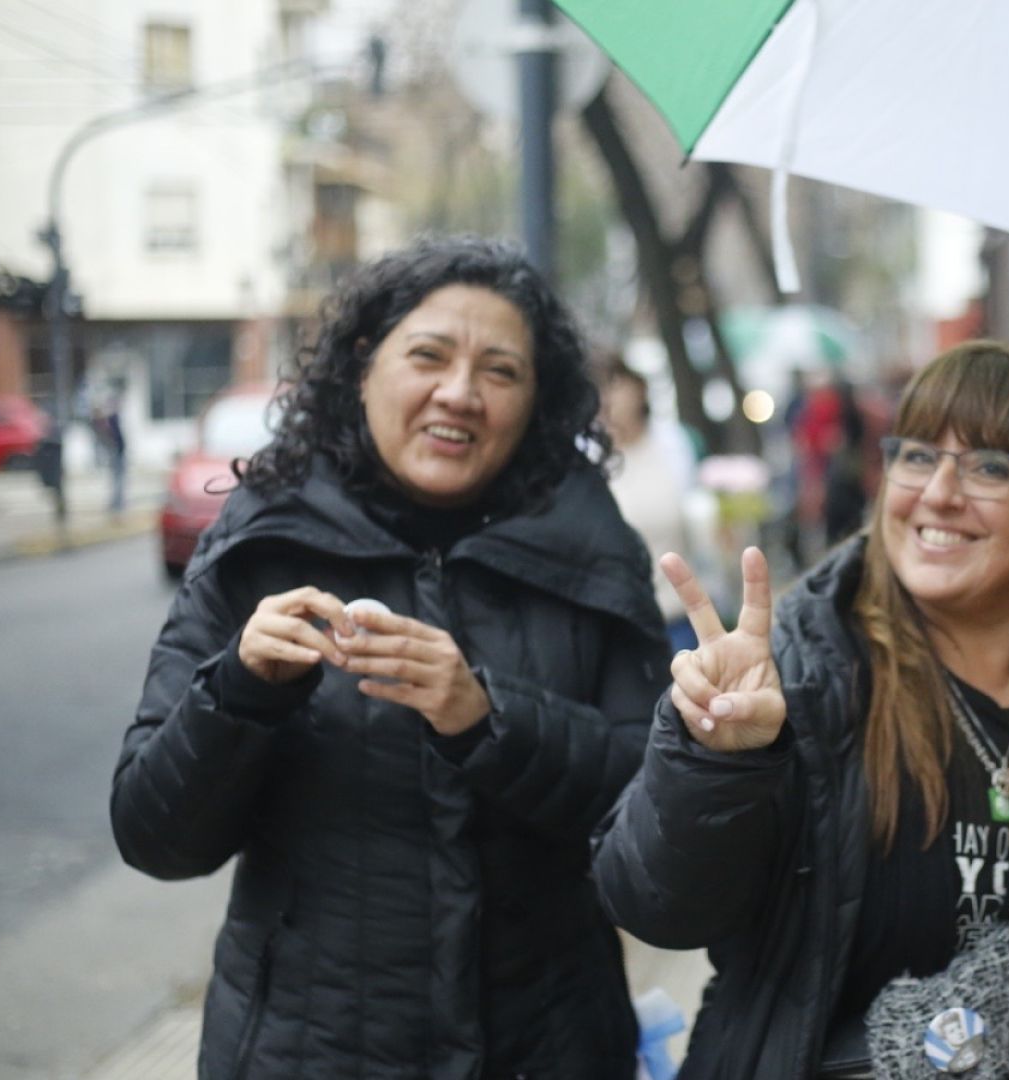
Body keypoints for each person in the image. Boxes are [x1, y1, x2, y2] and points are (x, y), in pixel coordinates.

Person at [110, 237, 669, 1079]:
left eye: (501, 371)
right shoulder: (266, 539)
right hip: (307, 1047)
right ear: (362, 368)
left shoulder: (594, 548)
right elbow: (155, 836)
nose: (460, 393)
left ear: (537, 403)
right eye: (428, 355)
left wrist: (488, 718)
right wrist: (238, 692)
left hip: (549, 1042)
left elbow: (653, 812)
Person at [594, 341, 1009, 1079]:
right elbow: (652, 904)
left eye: (989, 466)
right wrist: (717, 761)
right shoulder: (806, 670)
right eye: (915, 456)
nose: (938, 493)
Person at [598, 356, 701, 652]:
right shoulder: (593, 462)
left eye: (616, 385)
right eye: (601, 389)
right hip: (623, 622)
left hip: (680, 611)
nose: (610, 398)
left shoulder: (674, 444)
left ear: (638, 388)